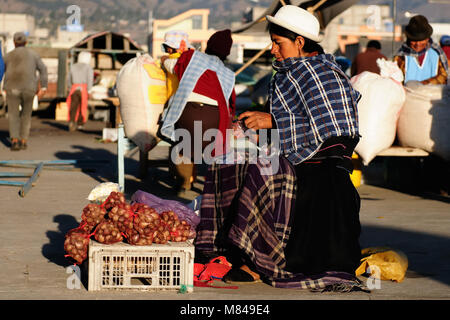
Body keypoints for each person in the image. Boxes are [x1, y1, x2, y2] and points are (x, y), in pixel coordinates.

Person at [195, 6, 365, 292]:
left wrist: (272, 121)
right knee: (229, 164)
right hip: (294, 157)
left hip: (322, 167)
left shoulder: (325, 75)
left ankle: (261, 259)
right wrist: (254, 130)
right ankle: (235, 248)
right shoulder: (286, 75)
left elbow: (336, 127)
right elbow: (290, 124)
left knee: (262, 172)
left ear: (300, 42)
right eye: (272, 41)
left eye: (279, 43)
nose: (273, 49)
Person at [159, 29, 236, 191]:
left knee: (182, 145)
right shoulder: (228, 73)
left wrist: (165, 59)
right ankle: (212, 187)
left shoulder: (191, 56)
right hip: (215, 118)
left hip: (189, 113)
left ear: (208, 45)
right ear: (227, 53)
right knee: (213, 150)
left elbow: (174, 67)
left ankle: (184, 182)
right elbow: (231, 102)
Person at [3, 32, 47, 151]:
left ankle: (15, 141)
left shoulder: (7, 56)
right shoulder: (33, 55)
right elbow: (43, 69)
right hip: (29, 88)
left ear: (14, 42)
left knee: (13, 114)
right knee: (26, 115)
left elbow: (1, 69)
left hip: (12, 88)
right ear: (26, 42)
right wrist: (43, 87)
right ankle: (23, 140)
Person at [394, 15, 448, 85]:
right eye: (414, 40)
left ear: (427, 39)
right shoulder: (401, 57)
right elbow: (396, 81)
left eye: (421, 40)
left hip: (433, 94)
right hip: (408, 94)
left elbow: (443, 76)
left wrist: (424, 84)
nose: (418, 44)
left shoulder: (436, 53)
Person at [66, 51, 93, 131]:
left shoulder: (73, 66)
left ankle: (71, 121)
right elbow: (90, 79)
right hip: (83, 88)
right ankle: (80, 124)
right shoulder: (88, 67)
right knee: (82, 106)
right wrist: (89, 90)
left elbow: (68, 79)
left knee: (73, 106)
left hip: (74, 88)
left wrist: (70, 87)